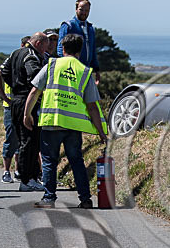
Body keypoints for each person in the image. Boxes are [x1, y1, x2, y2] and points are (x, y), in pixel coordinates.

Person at [23, 33, 107, 209]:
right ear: (80, 50)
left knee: (49, 161)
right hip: (73, 126)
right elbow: (93, 106)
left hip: (51, 122)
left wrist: (27, 114)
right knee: (76, 161)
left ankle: (49, 198)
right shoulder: (85, 72)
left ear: (63, 48)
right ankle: (85, 199)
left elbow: (34, 92)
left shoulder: (52, 65)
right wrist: (101, 132)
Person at [0, 32, 49, 191]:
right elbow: (34, 76)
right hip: (28, 100)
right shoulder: (31, 56)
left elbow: (3, 72)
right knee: (29, 140)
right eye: (45, 46)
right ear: (39, 43)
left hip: (16, 100)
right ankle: (26, 180)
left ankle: (30, 177)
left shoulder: (15, 53)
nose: (47, 50)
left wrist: (14, 87)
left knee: (25, 139)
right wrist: (28, 88)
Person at [0, 36, 29, 183]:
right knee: (11, 139)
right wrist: (5, 98)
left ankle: (18, 170)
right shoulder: (12, 59)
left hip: (24, 106)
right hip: (11, 107)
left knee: (22, 140)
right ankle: (6, 171)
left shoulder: (28, 61)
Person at [58, 0, 100, 84]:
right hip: (71, 71)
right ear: (76, 9)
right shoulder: (68, 25)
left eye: (87, 10)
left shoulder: (90, 28)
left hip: (86, 70)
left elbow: (92, 50)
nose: (84, 12)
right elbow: (60, 48)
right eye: (81, 9)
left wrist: (96, 69)